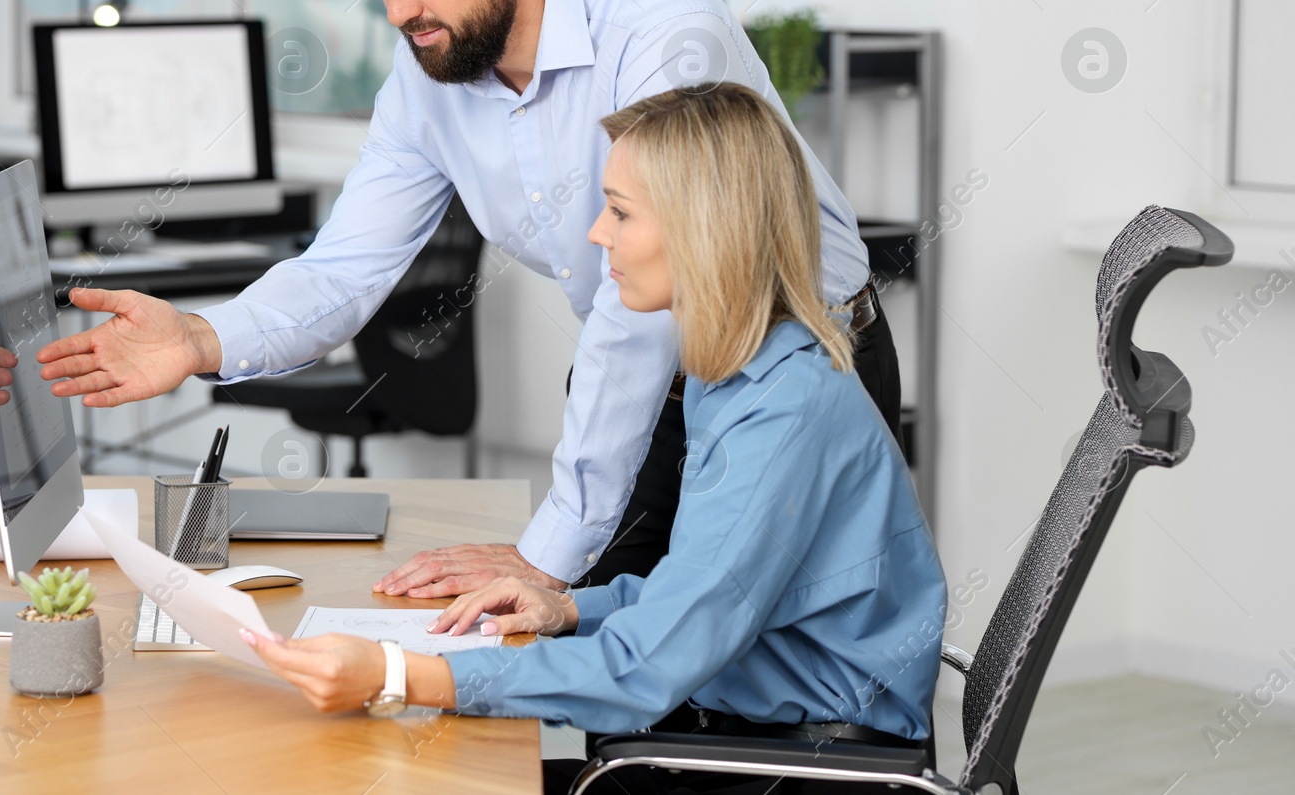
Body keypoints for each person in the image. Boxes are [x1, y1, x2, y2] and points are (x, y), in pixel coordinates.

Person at [34, 0, 899, 598]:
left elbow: (641, 311)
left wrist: (545, 549)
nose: (398, 8)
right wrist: (202, 335)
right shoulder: (429, 77)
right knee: (600, 662)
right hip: (658, 387)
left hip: (792, 376)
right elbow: (345, 266)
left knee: (751, 690)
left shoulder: (662, 37)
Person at [242, 84, 947, 795]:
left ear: (706, 229)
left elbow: (650, 666)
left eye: (620, 212)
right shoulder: (736, 367)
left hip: (810, 770)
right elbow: (699, 593)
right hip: (754, 732)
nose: (596, 234)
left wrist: (399, 674)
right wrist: (573, 607)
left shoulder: (783, 412)